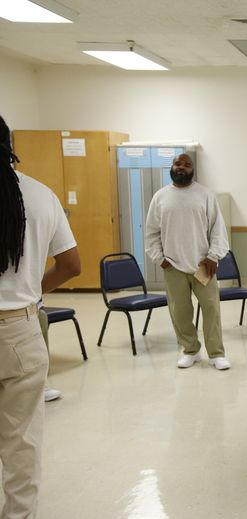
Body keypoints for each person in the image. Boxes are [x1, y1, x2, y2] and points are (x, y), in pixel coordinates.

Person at [0, 114, 81, 519]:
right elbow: (71, 264)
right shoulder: (39, 195)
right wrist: (31, 289)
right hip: (20, 329)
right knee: (21, 440)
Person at [145, 153, 231, 370]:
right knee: (179, 312)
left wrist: (213, 256)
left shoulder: (205, 195)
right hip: (173, 265)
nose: (181, 167)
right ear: (172, 167)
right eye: (178, 163)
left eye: (186, 164)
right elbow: (151, 233)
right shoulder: (160, 197)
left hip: (203, 266)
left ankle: (216, 353)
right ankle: (190, 350)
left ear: (193, 169)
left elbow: (218, 229)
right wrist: (160, 259)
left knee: (211, 309)